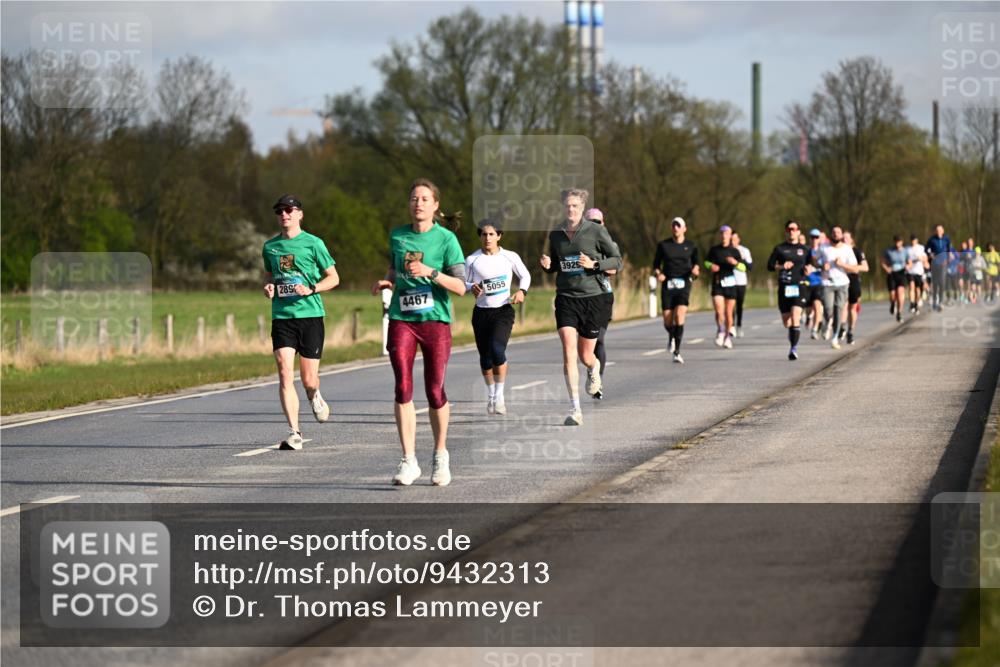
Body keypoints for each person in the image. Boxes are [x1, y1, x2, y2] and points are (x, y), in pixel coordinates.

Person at [371, 178, 467, 487]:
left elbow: (461, 287)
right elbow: (394, 268)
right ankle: (408, 460)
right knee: (402, 386)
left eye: (425, 199)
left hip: (435, 320)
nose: (419, 203)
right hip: (402, 318)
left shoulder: (446, 239)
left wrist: (431, 272)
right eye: (414, 198)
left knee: (434, 390)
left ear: (436, 205)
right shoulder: (397, 235)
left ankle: (440, 455)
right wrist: (388, 281)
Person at [262, 195, 340, 451]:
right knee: (285, 372)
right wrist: (269, 287)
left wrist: (311, 289)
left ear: (299, 214)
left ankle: (314, 395)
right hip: (282, 317)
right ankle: (294, 432)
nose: (284, 214)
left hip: (310, 316)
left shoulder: (314, 243)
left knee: (309, 380)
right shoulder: (270, 247)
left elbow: (334, 278)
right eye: (279, 211)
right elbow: (269, 276)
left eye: (289, 210)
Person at [540, 189, 622, 425]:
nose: (571, 210)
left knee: (586, 356)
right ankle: (575, 408)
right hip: (566, 298)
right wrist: (548, 265)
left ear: (582, 208)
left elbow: (617, 261)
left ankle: (594, 366)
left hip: (592, 298)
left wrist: (594, 264)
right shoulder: (556, 234)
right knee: (568, 349)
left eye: (575, 206)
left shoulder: (596, 231)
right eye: (567, 205)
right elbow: (558, 264)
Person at [465, 219, 531, 416]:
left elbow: (525, 276)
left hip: (503, 311)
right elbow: (462, 282)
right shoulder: (472, 260)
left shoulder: (509, 256)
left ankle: (500, 395)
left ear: (499, 236)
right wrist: (471, 287)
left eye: (492, 234)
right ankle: (491, 393)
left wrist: (522, 292)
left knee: (497, 349)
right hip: (481, 313)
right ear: (480, 236)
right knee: (485, 358)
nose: (488, 238)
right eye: (484, 234)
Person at [652, 216, 700, 364]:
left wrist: (696, 271)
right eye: (673, 225)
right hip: (668, 284)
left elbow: (696, 265)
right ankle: (672, 336)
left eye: (678, 225)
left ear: (684, 229)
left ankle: (677, 351)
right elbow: (656, 265)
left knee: (679, 316)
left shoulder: (691, 246)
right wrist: (659, 274)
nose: (676, 228)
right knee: (667, 321)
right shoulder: (663, 245)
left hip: (684, 284)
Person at [584, 207, 619, 398]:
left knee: (599, 339)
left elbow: (614, 269)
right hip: (581, 297)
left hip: (603, 296)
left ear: (603, 223)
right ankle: (592, 369)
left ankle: (598, 380)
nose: (594, 226)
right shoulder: (578, 243)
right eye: (591, 222)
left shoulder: (609, 244)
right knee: (584, 344)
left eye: (597, 222)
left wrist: (594, 265)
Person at [766, 220, 810, 360]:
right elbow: (769, 266)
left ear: (799, 232)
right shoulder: (779, 249)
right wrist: (781, 266)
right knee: (787, 322)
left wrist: (809, 269)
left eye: (794, 229)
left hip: (799, 286)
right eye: (789, 229)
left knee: (795, 315)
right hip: (784, 287)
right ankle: (793, 331)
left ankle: (793, 349)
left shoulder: (805, 250)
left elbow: (812, 264)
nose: (791, 231)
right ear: (786, 232)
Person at [705, 226, 744, 349]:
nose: (724, 236)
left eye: (726, 233)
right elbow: (706, 262)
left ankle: (727, 337)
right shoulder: (714, 250)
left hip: (730, 284)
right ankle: (721, 330)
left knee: (728, 313)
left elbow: (743, 267)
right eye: (722, 233)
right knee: (718, 310)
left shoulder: (735, 251)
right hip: (717, 282)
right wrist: (711, 266)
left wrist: (735, 263)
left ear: (730, 235)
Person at [820, 226, 858, 349]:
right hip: (827, 283)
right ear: (831, 234)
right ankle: (827, 322)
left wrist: (842, 264)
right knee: (828, 308)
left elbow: (854, 268)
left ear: (841, 235)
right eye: (833, 232)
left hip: (842, 283)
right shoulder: (824, 247)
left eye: (838, 232)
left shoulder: (847, 249)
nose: (836, 234)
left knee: (838, 309)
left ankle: (835, 337)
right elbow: (814, 260)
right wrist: (822, 266)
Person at [842, 231, 869, 345]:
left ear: (851, 240)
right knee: (843, 305)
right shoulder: (837, 251)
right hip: (841, 280)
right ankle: (842, 327)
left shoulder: (857, 251)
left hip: (853, 280)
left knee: (852, 307)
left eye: (846, 238)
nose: (844, 240)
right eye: (842, 238)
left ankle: (850, 331)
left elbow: (865, 267)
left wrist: (851, 267)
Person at [882, 235, 909, 324]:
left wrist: (908, 266)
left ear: (902, 242)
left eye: (899, 242)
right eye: (896, 242)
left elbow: (910, 262)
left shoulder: (905, 251)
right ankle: (893, 303)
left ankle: (899, 313)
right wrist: (887, 268)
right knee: (892, 294)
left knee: (900, 292)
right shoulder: (889, 251)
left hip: (901, 273)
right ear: (894, 242)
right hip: (892, 274)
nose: (898, 244)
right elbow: (883, 262)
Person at [804, 229, 826, 338]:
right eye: (812, 237)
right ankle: (809, 317)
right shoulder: (805, 251)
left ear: (819, 239)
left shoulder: (823, 252)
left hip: (818, 282)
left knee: (817, 306)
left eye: (816, 237)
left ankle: (815, 329)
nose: (814, 240)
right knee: (808, 309)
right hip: (807, 282)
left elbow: (828, 265)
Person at [732, 232, 753, 338]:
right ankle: (731, 326)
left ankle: (739, 326)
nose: (733, 241)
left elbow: (750, 267)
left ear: (738, 239)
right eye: (731, 239)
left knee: (739, 305)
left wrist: (741, 258)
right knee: (730, 306)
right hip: (729, 282)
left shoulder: (744, 251)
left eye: (734, 239)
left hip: (741, 282)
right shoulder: (726, 250)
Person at [926, 225, 952, 311]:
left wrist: (949, 257)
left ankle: (940, 301)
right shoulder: (932, 239)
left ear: (943, 231)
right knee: (935, 282)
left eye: (940, 230)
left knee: (942, 282)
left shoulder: (946, 238)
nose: (939, 232)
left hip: (943, 263)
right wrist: (930, 255)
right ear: (935, 231)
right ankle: (934, 300)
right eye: (937, 230)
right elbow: (926, 249)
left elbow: (949, 248)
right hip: (935, 263)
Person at [905, 234, 929, 314]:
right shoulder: (907, 249)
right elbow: (905, 259)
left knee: (917, 289)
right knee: (911, 286)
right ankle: (912, 304)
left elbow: (925, 259)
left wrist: (921, 259)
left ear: (917, 240)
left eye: (914, 240)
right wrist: (907, 263)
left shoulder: (921, 248)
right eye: (912, 240)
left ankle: (916, 304)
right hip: (910, 271)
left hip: (919, 271)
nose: (913, 242)